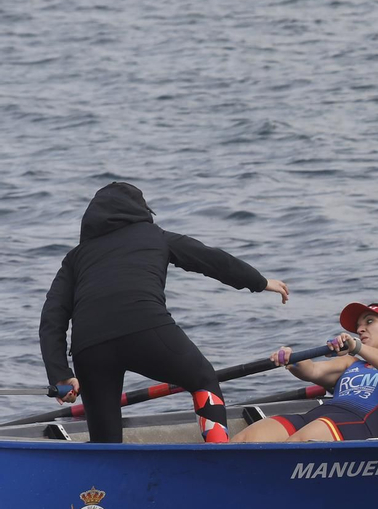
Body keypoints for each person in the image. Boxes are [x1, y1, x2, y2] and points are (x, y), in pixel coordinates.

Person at [38, 182, 290, 443]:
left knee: (105, 438)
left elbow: (51, 319)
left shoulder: (75, 257)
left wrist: (60, 374)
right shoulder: (154, 235)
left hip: (90, 349)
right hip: (145, 328)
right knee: (203, 378)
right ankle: (218, 453)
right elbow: (211, 260)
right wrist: (259, 282)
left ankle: (104, 477)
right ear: (140, 211)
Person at [233, 303, 378, 442]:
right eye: (358, 327)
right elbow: (312, 370)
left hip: (358, 425)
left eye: (369, 321)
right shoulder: (350, 363)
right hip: (316, 417)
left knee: (297, 442)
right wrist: (292, 359)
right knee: (245, 439)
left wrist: (357, 347)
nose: (360, 329)